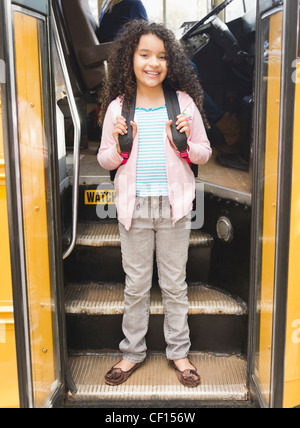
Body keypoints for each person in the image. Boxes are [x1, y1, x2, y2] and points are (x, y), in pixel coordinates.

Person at [97, 20, 212, 387]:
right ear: (130, 58)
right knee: (136, 285)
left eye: (161, 56)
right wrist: (119, 147)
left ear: (170, 62)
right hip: (134, 208)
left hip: (173, 207)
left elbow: (204, 153)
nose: (153, 63)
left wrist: (183, 146)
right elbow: (104, 160)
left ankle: (179, 352)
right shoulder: (119, 108)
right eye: (144, 54)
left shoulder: (183, 104)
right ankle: (132, 353)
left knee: (175, 283)